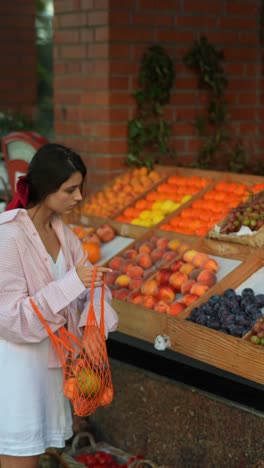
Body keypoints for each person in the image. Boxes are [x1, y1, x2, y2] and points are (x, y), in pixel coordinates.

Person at [0, 143, 118, 468]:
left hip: (54, 365)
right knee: (19, 460)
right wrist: (74, 282)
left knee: (33, 457)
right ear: (46, 188)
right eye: (70, 190)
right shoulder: (8, 236)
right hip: (18, 371)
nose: (79, 197)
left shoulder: (64, 234)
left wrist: (93, 328)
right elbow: (11, 318)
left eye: (80, 188)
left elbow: (90, 286)